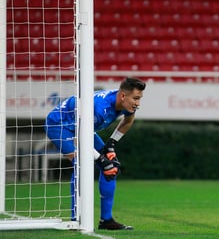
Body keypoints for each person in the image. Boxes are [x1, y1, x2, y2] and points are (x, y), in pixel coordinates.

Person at [45, 77, 146, 230]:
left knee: (111, 167)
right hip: (59, 125)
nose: (138, 103)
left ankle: (106, 220)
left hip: (83, 128)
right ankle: (75, 219)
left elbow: (128, 120)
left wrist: (111, 144)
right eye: (136, 98)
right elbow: (82, 137)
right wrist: (100, 158)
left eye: (139, 99)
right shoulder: (99, 109)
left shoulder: (125, 104)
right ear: (123, 96)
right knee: (81, 165)